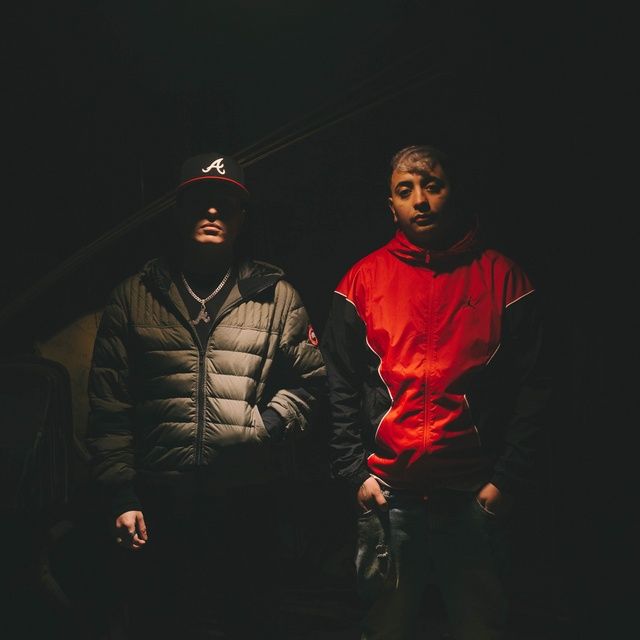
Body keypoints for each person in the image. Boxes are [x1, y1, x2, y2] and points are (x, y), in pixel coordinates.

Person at [85, 150, 326, 639]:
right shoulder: (134, 296)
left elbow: (310, 381)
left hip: (245, 499)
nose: (212, 211)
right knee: (161, 624)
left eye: (225, 203)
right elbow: (109, 405)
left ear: (242, 218)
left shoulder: (276, 297)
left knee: (248, 623)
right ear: (178, 212)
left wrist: (265, 427)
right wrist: (121, 493)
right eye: (199, 201)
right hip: (158, 498)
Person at [320, 144, 551, 640]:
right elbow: (338, 382)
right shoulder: (362, 280)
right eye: (405, 191)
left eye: (432, 186)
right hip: (388, 499)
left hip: (473, 499)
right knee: (384, 631)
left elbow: (535, 386)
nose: (420, 200)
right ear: (391, 206)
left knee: (481, 630)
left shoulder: (504, 278)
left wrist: (506, 481)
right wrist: (355, 474)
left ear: (453, 191)